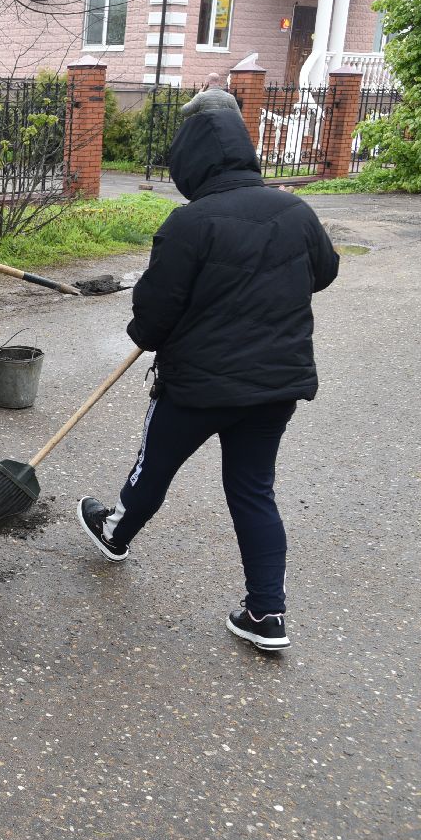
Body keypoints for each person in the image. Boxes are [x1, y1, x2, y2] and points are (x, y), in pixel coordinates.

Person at [75, 108, 338, 652]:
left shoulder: (190, 223)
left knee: (155, 467)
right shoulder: (296, 211)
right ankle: (267, 614)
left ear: (190, 164)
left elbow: (152, 317)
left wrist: (148, 328)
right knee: (254, 492)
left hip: (196, 387)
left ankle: (116, 533)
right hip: (274, 386)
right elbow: (325, 271)